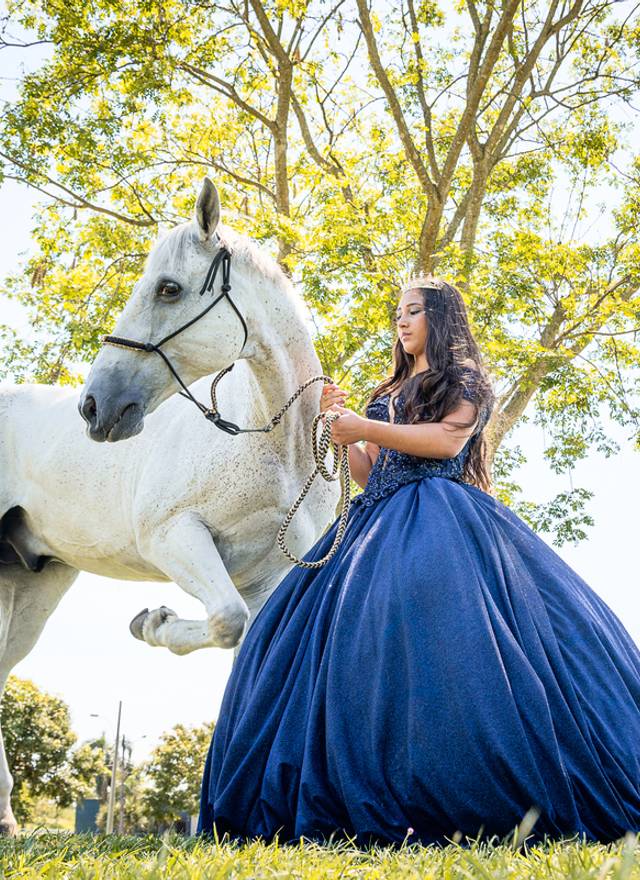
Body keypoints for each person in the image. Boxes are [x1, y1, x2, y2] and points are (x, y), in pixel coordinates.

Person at [197, 275, 640, 847]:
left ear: (441, 317)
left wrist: (366, 425)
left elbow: (447, 443)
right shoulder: (389, 389)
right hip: (371, 525)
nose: (401, 321)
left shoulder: (465, 380)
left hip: (441, 518)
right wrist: (344, 432)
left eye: (413, 311)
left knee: (446, 650)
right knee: (293, 640)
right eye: (397, 312)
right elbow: (368, 471)